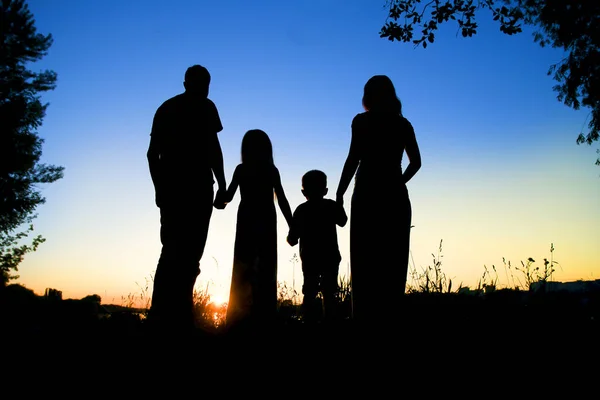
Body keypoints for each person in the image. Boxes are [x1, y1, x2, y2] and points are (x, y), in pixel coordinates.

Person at [335, 75, 421, 328]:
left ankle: (365, 320)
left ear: (368, 96)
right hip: (394, 196)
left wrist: (340, 192)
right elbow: (416, 162)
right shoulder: (403, 124)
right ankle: (391, 319)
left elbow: (353, 158)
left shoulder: (361, 121)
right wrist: (399, 181)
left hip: (366, 194)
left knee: (365, 260)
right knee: (393, 261)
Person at [146, 64, 227, 333]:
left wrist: (222, 184)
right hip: (187, 189)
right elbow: (153, 153)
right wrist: (160, 189)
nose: (204, 89)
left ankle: (173, 317)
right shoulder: (185, 108)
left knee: (182, 253)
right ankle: (169, 318)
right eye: (201, 83)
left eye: (207, 84)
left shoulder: (176, 108)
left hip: (192, 188)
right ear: (187, 83)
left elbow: (213, 148)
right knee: (180, 253)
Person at [217, 129, 294, 333]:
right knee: (266, 266)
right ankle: (265, 318)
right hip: (267, 218)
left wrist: (220, 200)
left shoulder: (241, 169)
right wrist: (293, 225)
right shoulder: (271, 170)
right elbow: (282, 200)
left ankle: (239, 319)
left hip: (247, 219)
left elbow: (228, 196)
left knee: (243, 265)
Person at [287, 170, 348, 324]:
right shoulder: (330, 206)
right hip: (331, 257)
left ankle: (309, 323)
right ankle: (331, 322)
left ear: (303, 192)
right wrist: (340, 201)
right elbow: (343, 221)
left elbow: (293, 239)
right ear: (325, 190)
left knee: (309, 292)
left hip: (310, 259)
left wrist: (291, 234)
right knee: (330, 293)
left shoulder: (301, 211)